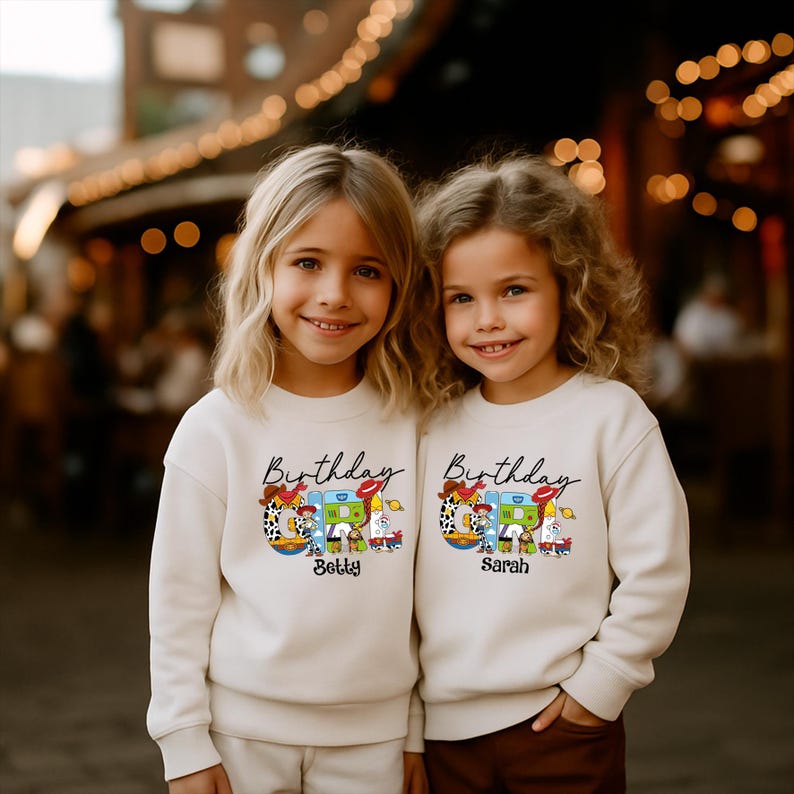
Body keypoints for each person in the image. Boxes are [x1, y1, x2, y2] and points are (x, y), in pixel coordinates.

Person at [146, 143, 429, 794]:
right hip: (239, 736)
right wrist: (184, 741)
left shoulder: (416, 424)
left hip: (376, 741)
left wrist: (412, 727)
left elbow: (422, 598)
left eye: (367, 270)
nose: (334, 294)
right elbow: (178, 602)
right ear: (263, 267)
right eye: (307, 262)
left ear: (400, 283)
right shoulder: (214, 428)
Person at [411, 152, 691, 793]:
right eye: (461, 298)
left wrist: (601, 688)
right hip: (441, 735)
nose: (487, 319)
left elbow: (658, 570)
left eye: (514, 290)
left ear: (570, 284)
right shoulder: (429, 427)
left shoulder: (609, 416)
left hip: (562, 728)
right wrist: (408, 721)